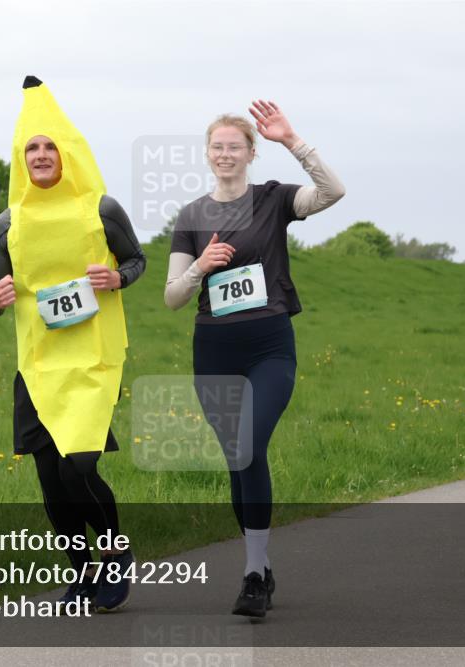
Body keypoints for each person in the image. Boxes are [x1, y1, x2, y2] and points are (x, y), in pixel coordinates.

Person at [164, 100, 345, 616]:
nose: (225, 154)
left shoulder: (273, 199)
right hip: (214, 350)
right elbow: (173, 297)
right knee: (237, 458)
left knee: (248, 445)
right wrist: (200, 266)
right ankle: (261, 567)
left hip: (269, 347)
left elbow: (333, 191)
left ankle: (251, 574)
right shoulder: (192, 216)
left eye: (235, 146)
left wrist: (293, 141)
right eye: (217, 147)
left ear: (250, 153)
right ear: (207, 154)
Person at [0, 75, 146, 610]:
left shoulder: (101, 210)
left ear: (67, 154)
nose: (41, 155)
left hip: (91, 360)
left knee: (79, 467)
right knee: (51, 483)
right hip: (37, 366)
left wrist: (117, 278)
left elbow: (137, 260)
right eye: (32, 148)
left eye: (50, 146)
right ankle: (81, 571)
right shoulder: (8, 223)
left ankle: (115, 554)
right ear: (21, 159)